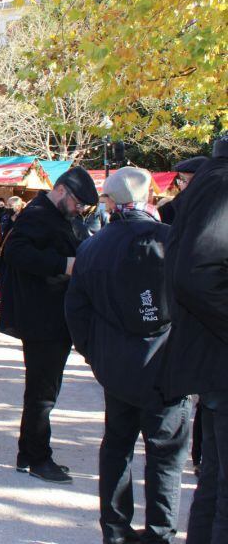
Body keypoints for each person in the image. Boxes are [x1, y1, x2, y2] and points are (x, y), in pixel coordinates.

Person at [65, 167, 190, 544]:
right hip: (165, 365)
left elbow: (76, 311)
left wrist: (94, 354)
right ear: (148, 198)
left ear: (110, 201)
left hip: (118, 366)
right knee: (164, 455)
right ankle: (159, 533)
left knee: (118, 446)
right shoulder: (171, 241)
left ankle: (115, 531)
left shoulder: (92, 247)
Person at [0, 167, 98, 484]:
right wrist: (63, 264)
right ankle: (38, 457)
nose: (80, 209)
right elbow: (15, 252)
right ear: (62, 190)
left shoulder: (55, 215)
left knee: (43, 391)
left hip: (52, 316)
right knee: (43, 394)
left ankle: (29, 454)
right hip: (42, 318)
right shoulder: (38, 214)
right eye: (78, 203)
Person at [158, 137, 228, 544]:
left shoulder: (213, 179)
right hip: (217, 359)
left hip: (213, 358)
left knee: (215, 486)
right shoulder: (220, 182)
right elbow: (198, 274)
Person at [157, 155, 207, 225]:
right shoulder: (169, 209)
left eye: (184, 180)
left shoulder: (215, 208)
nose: (181, 184)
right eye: (181, 179)